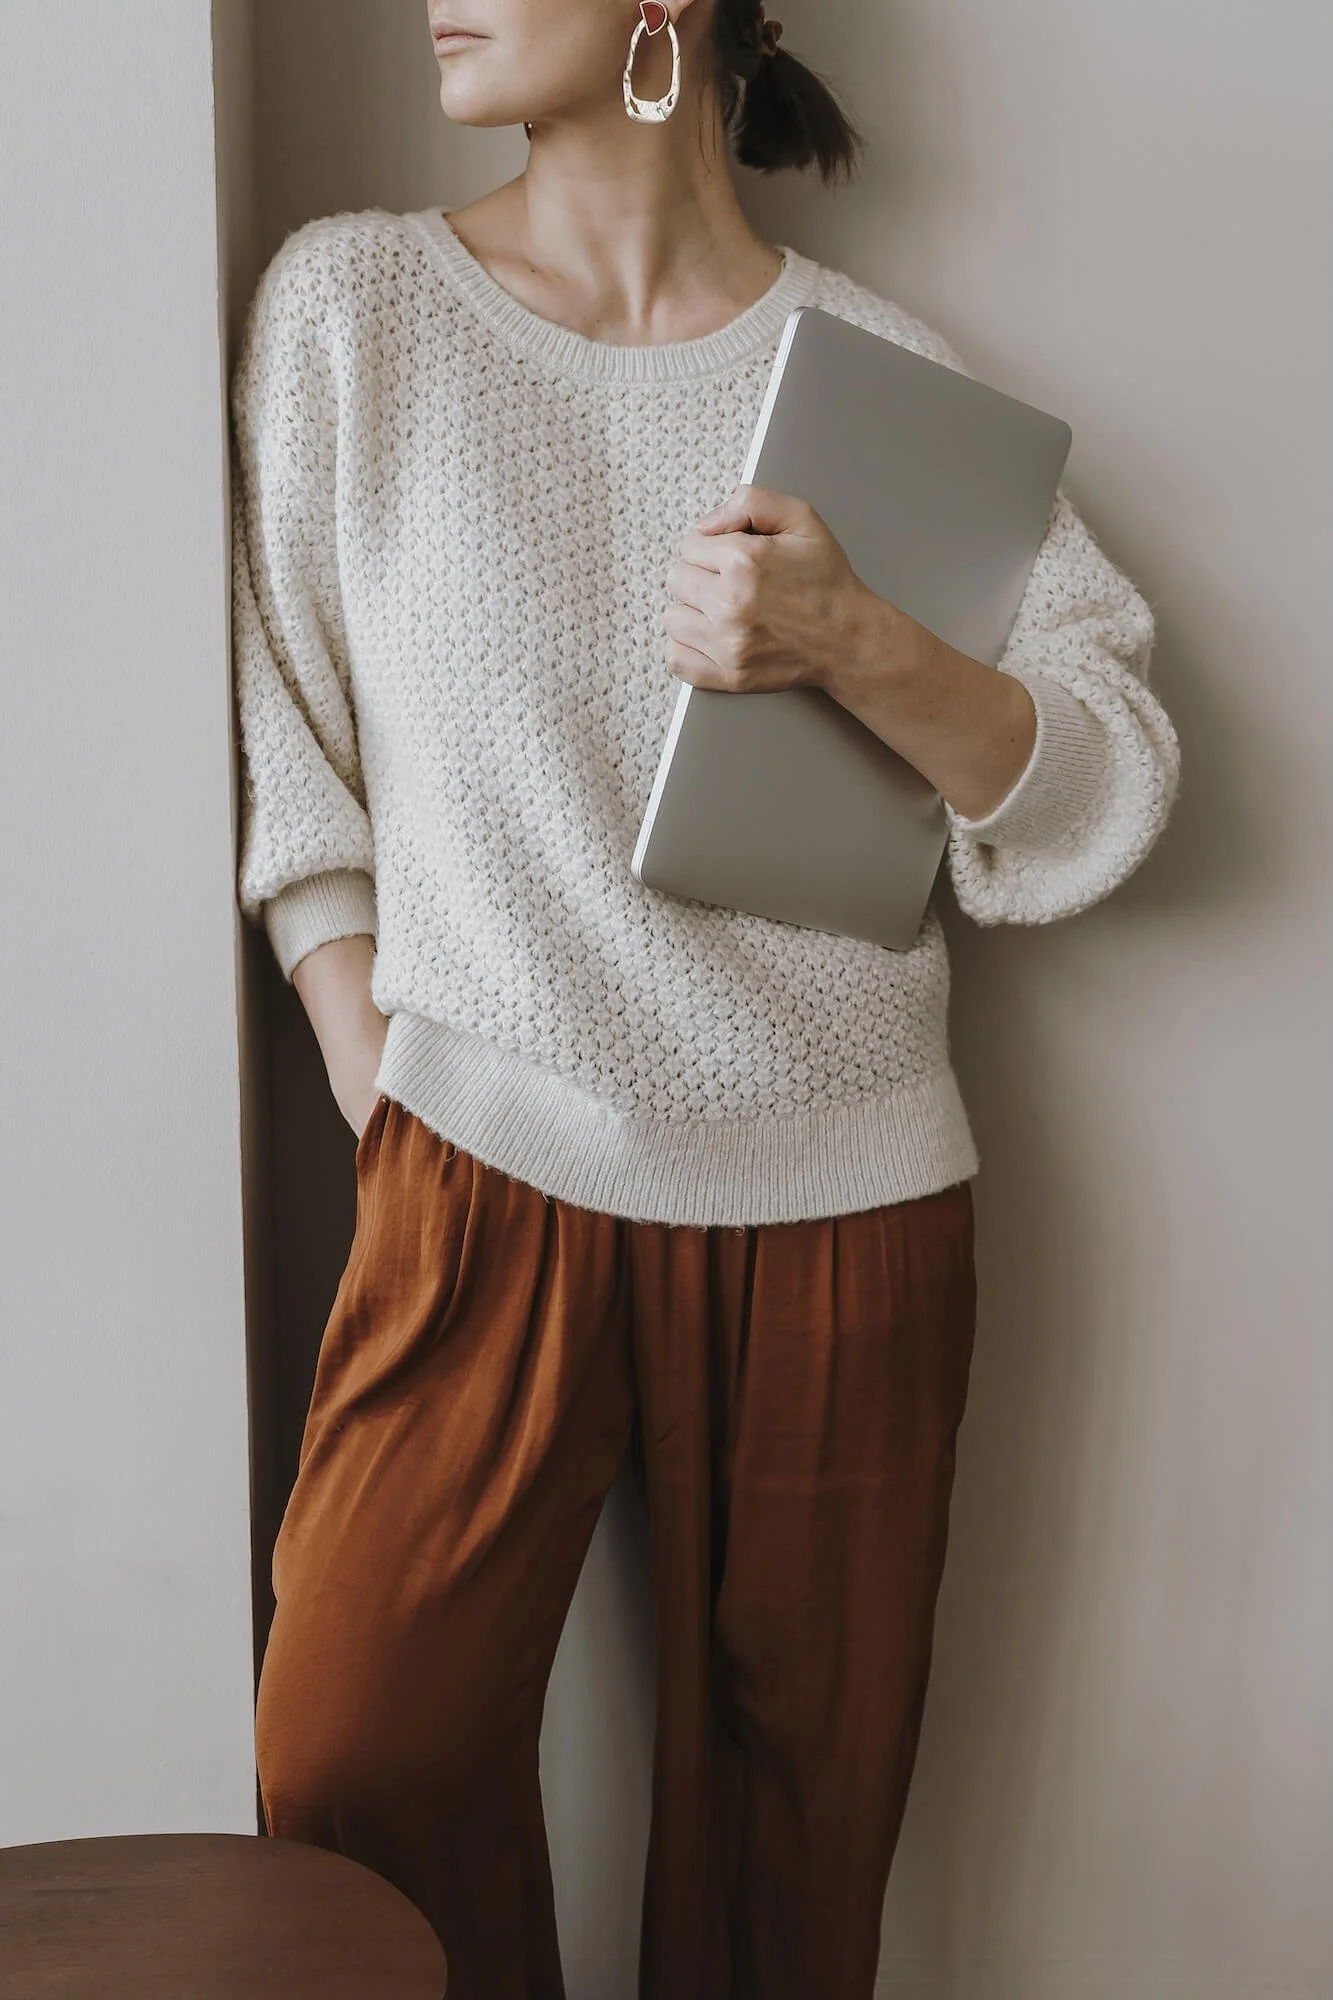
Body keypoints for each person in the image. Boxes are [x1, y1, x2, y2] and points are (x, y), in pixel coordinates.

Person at [229, 3, 1181, 1995]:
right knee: (350, 1773)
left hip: (847, 1197)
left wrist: (851, 637)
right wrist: (385, 1082)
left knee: (790, 1860)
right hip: (477, 1168)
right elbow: (295, 770)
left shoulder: (887, 386)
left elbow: (1102, 783)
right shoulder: (354, 310)